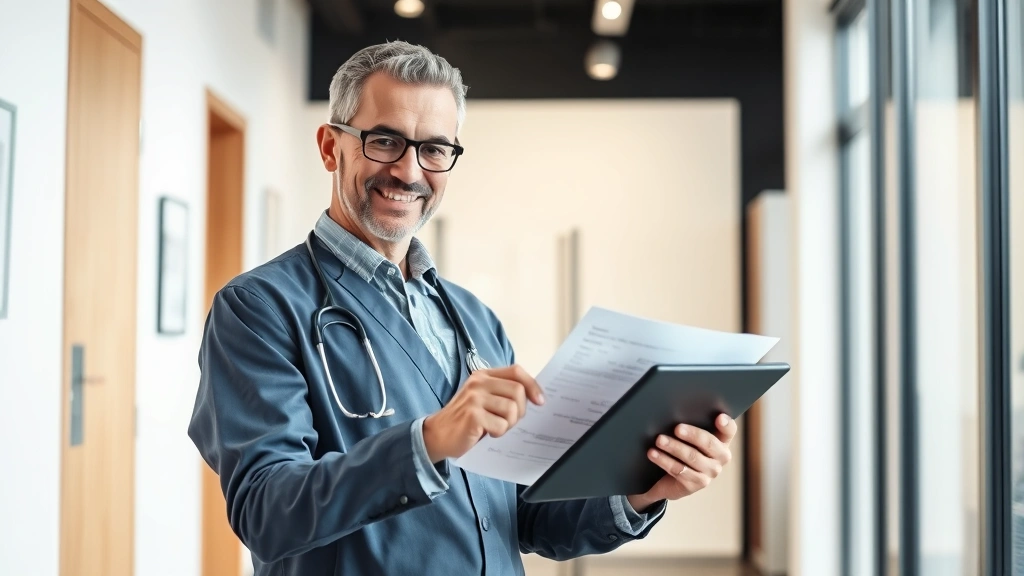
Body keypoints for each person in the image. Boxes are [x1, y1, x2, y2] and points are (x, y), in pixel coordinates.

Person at [188, 40, 739, 576]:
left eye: (433, 148)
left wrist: (642, 489)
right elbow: (265, 511)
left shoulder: (475, 319)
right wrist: (428, 442)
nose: (408, 172)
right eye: (384, 141)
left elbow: (522, 517)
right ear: (331, 146)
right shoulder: (258, 309)